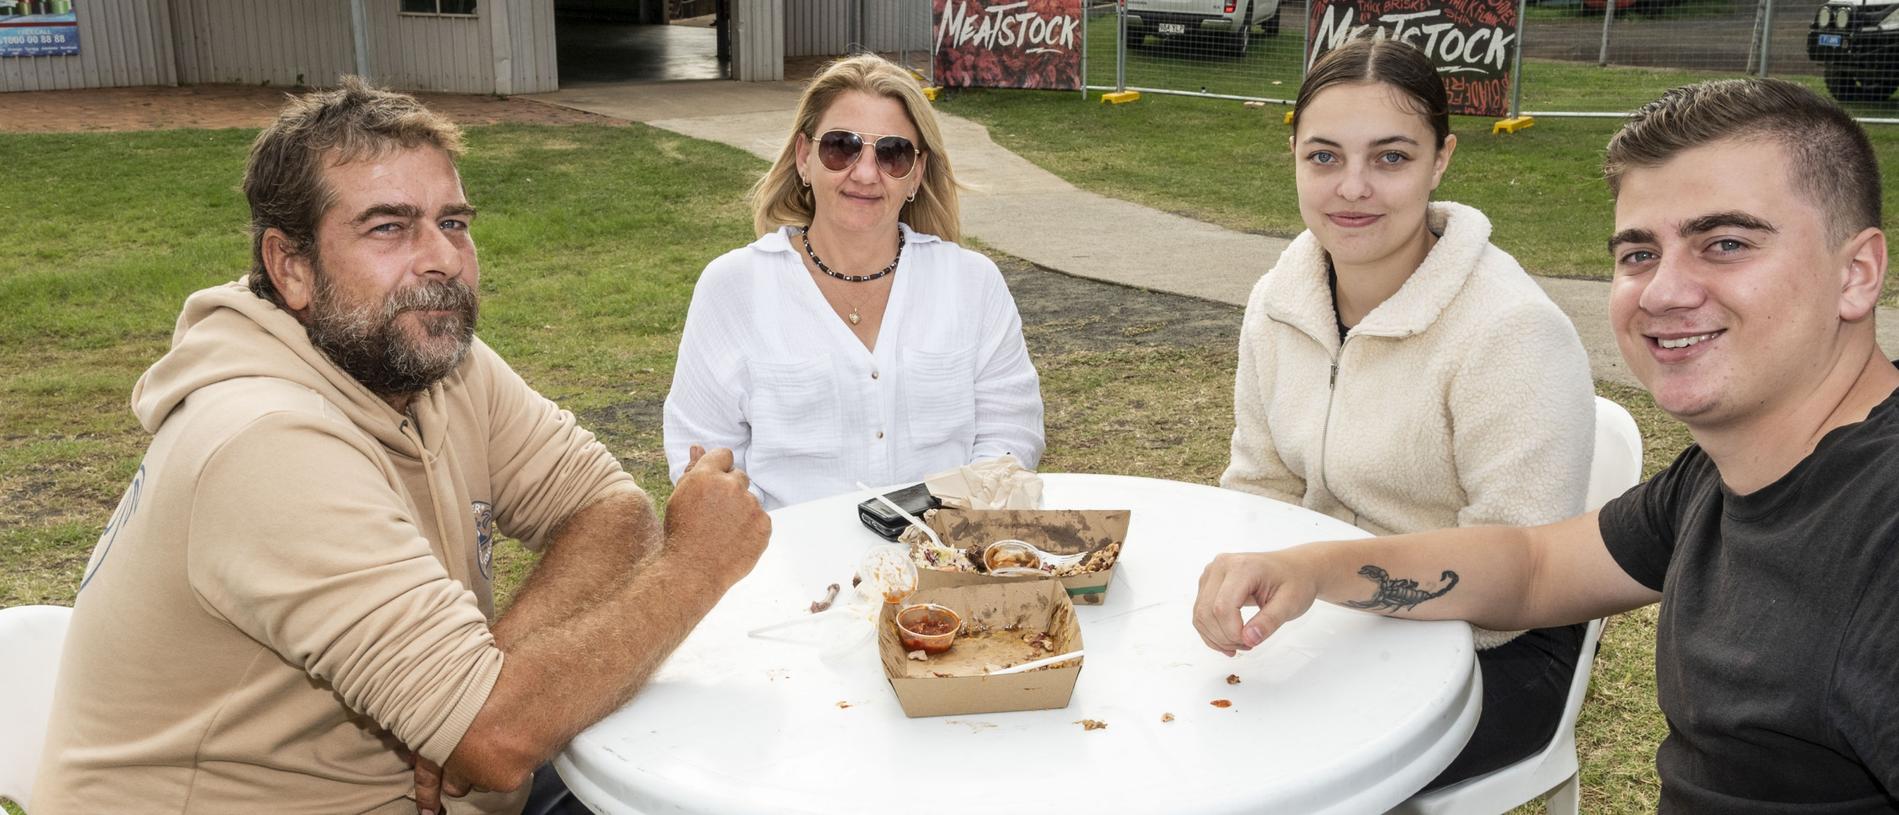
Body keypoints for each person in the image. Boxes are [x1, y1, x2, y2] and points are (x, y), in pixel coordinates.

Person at [33, 78, 771, 814]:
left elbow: (606, 505)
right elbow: (495, 741)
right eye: (389, 227)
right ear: (290, 266)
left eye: (453, 222)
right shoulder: (262, 443)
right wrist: (694, 565)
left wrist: (483, 681)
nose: (442, 259)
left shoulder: (426, 359)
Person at [1195, 76, 1899, 811]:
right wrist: (1314, 569)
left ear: (1856, 275)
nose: (1663, 291)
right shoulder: (1722, 479)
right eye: (1637, 254)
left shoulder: (1877, 534)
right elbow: (1532, 564)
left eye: (1723, 243)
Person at [1218, 39, 1595, 787]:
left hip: (1495, 646)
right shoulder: (1278, 298)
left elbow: (1514, 584)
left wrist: (1320, 580)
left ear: (1440, 159)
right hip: (1331, 616)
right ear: (1292, 152)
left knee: (1266, 770)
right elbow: (1257, 486)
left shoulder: (1511, 329)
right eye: (1323, 157)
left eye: (1390, 158)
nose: (1351, 187)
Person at [662, 53, 1045, 510]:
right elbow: (709, 458)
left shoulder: (972, 283)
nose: (865, 173)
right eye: (841, 146)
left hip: (944, 565)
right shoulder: (733, 288)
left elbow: (1010, 436)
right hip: (789, 569)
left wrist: (949, 535)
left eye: (893, 153)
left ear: (916, 174)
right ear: (805, 158)